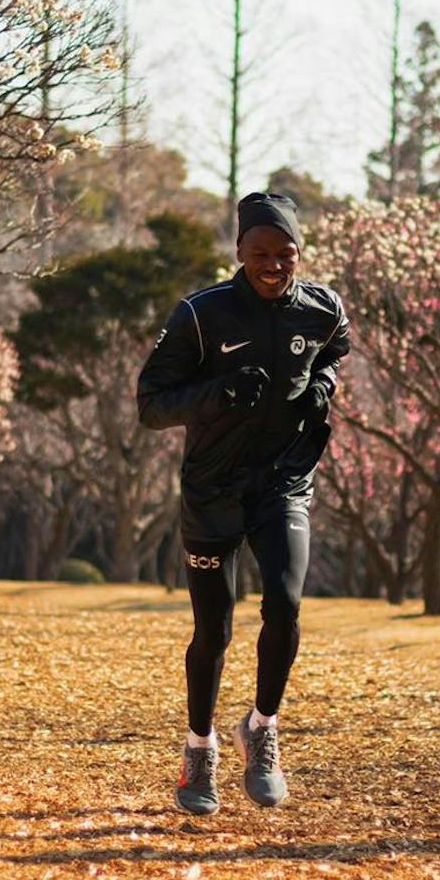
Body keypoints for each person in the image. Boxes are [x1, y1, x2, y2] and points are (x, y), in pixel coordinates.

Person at [137, 191, 350, 815]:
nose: (273, 265)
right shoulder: (201, 316)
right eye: (260, 253)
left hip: (283, 483)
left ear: (298, 254)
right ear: (238, 252)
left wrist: (323, 385)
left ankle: (262, 728)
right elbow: (151, 406)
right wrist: (219, 393)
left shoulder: (323, 309)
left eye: (285, 254)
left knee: (284, 604)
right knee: (214, 630)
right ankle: (199, 750)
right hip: (212, 490)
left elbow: (335, 350)